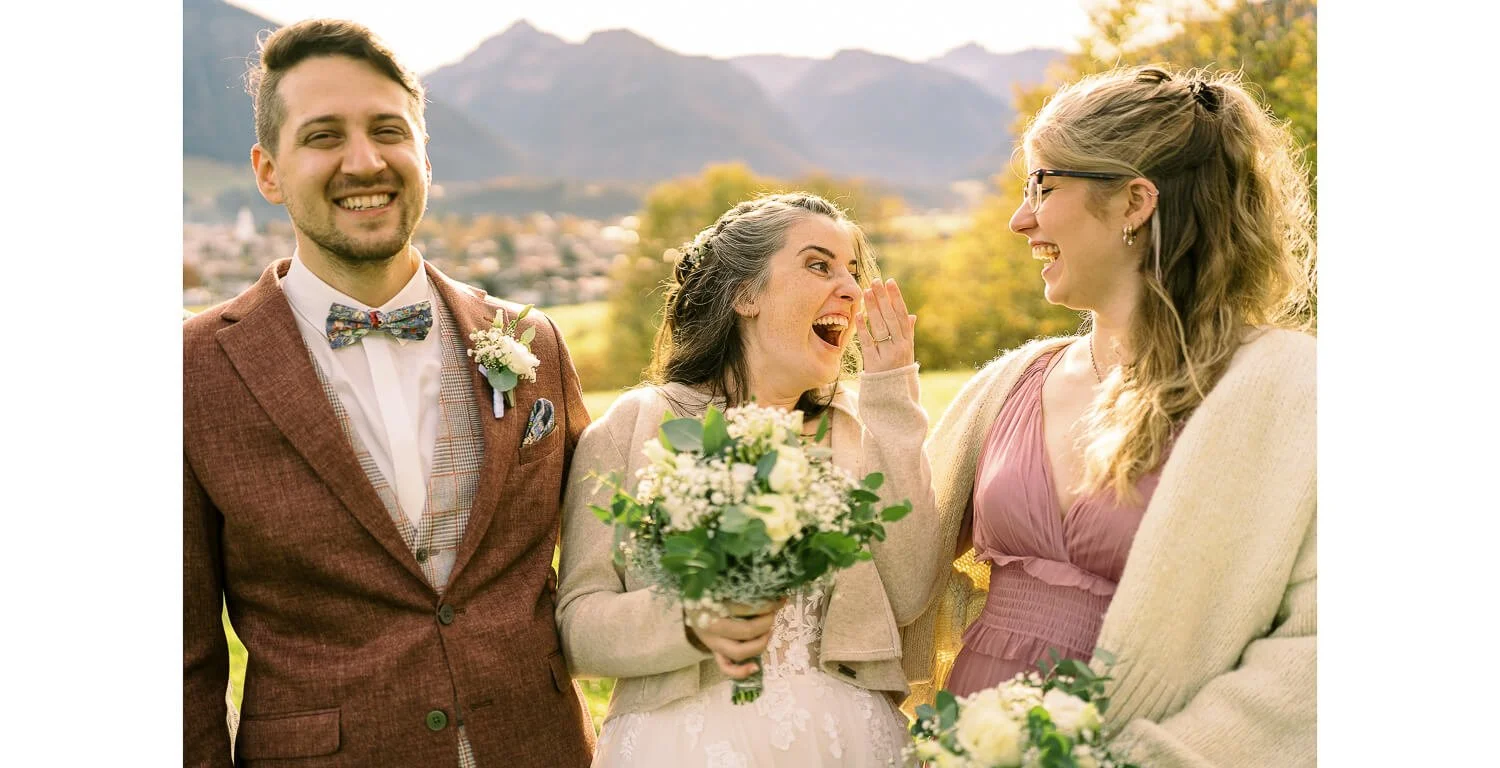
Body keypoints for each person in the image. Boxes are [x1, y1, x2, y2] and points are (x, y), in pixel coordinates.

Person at [183, 19, 594, 767]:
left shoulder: (533, 341)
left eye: (387, 130)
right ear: (268, 172)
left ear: (425, 156)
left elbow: (603, 564)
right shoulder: (192, 371)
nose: (365, 161)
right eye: (323, 137)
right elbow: (177, 662)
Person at [902, 65, 1317, 767]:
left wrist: (1137, 760)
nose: (1020, 219)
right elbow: (895, 573)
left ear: (1134, 201)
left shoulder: (1291, 390)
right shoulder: (1010, 384)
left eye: (1043, 186)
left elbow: (1318, 646)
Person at [556, 193, 945, 766]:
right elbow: (576, 627)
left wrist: (891, 396)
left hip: (851, 743)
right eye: (819, 265)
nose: (852, 290)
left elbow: (910, 595)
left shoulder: (862, 429)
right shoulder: (637, 425)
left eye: (853, 271)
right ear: (746, 295)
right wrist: (689, 621)